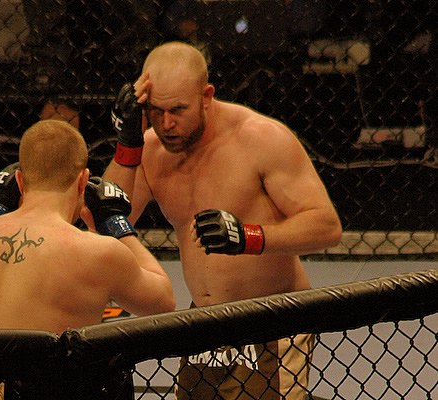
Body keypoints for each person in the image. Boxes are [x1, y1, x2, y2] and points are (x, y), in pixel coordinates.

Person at [104, 41, 342, 399]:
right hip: (203, 322)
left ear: (206, 97)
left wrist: (249, 237)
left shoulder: (260, 139)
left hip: (271, 318)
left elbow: (326, 227)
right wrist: (128, 144)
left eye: (178, 110)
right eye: (156, 110)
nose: (166, 124)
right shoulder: (151, 150)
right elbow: (109, 224)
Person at [0, 119, 176, 399]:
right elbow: (163, 303)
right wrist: (115, 224)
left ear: (19, 181)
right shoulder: (95, 252)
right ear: (83, 181)